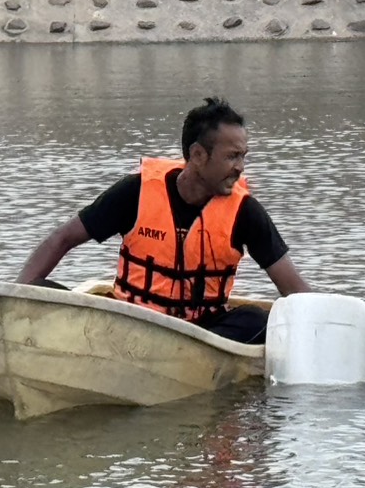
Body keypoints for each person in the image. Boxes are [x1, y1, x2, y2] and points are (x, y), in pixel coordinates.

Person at [16, 97, 312, 344]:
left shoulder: (245, 211)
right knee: (39, 289)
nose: (240, 168)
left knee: (261, 320)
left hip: (203, 335)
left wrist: (324, 328)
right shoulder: (136, 191)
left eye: (243, 157)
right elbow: (62, 239)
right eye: (232, 157)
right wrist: (13, 300)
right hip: (130, 324)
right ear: (197, 154)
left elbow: (294, 289)